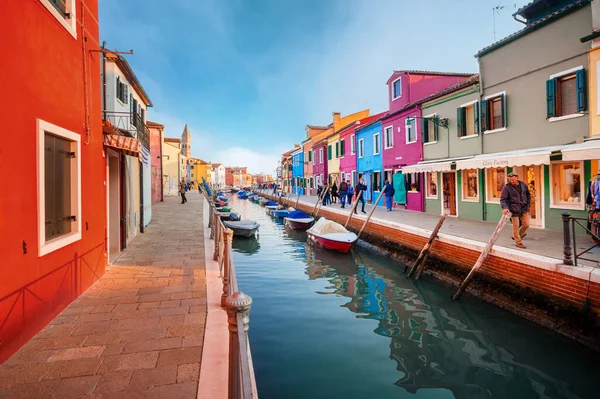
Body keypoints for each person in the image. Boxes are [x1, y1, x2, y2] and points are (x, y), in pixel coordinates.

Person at [500, 172, 531, 249]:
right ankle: (518, 242)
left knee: (526, 224)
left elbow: (528, 195)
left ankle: (517, 236)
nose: (512, 181)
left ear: (517, 178)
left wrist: (528, 204)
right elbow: (503, 199)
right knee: (516, 226)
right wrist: (505, 208)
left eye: (513, 179)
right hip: (513, 209)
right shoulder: (506, 187)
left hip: (524, 208)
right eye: (510, 180)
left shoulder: (523, 185)